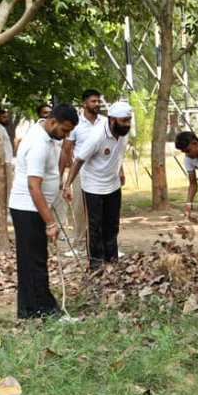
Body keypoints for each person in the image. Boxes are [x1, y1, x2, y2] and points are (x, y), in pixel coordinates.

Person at [9, 103, 78, 319]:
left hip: (35, 208)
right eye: (64, 130)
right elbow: (33, 187)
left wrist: (59, 188)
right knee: (34, 261)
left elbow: (48, 174)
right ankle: (43, 310)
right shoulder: (38, 143)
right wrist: (50, 222)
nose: (66, 135)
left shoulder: (48, 137)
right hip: (28, 209)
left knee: (32, 260)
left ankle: (29, 310)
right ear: (52, 122)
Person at [64, 101, 130, 270]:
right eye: (123, 120)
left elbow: (118, 153)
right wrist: (67, 185)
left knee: (112, 224)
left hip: (113, 184)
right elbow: (78, 160)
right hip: (92, 186)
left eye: (128, 119)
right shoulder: (96, 136)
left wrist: (120, 170)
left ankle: (112, 261)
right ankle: (95, 264)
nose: (127, 124)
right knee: (95, 226)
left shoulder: (124, 133)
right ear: (112, 119)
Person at [60, 90, 103, 254]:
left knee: (101, 209)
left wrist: (119, 170)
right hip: (80, 172)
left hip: (101, 173)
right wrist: (63, 178)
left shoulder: (105, 122)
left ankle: (102, 244)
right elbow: (66, 150)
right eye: (93, 101)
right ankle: (79, 245)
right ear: (84, 103)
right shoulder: (75, 124)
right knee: (79, 208)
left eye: (98, 101)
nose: (97, 104)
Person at [0, 109, 15, 194]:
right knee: (8, 187)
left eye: (7, 117)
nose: (7, 119)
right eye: (4, 117)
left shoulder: (2, 128)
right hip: (4, 161)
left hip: (7, 161)